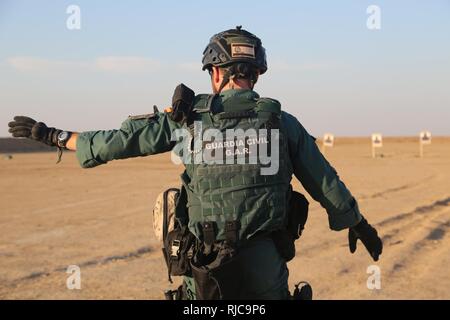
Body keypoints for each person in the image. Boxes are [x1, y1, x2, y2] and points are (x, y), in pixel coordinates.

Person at [7, 26, 382, 300]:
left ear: (216, 73)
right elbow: (324, 180)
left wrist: (53, 136)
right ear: (255, 74)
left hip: (205, 268)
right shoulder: (283, 124)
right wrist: (357, 222)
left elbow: (119, 143)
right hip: (265, 266)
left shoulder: (188, 120)